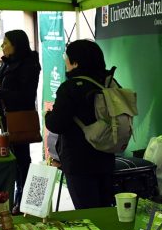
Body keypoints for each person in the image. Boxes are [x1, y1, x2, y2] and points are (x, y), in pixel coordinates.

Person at [45, 39, 115, 209]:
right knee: (104, 209)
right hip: (106, 156)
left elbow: (57, 124)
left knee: (86, 213)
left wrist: (48, 115)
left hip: (79, 161)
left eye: (66, 57)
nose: (65, 60)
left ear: (75, 62)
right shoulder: (109, 82)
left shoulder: (69, 88)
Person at [0, 30, 41, 212]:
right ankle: (16, 197)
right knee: (13, 158)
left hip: (19, 118)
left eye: (6, 43)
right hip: (6, 117)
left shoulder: (29, 64)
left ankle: (24, 201)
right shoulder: (8, 63)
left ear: (16, 45)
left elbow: (24, 96)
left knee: (22, 159)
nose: (2, 46)